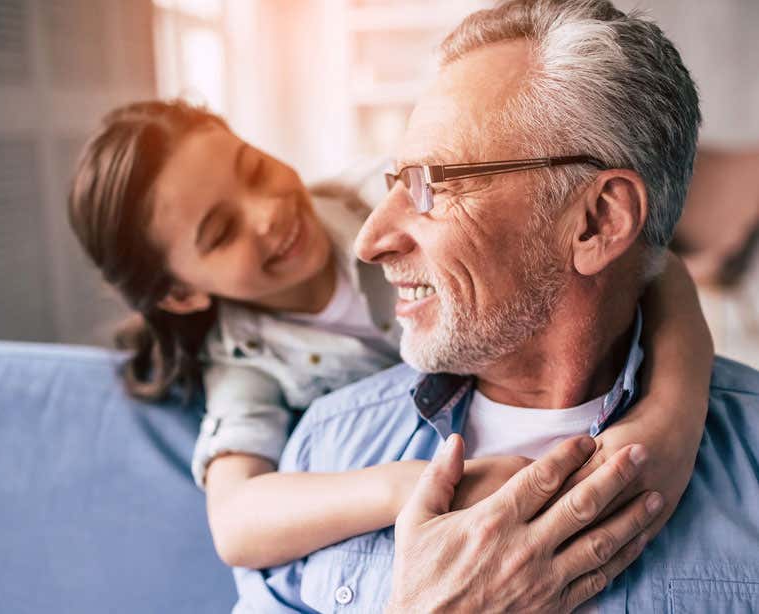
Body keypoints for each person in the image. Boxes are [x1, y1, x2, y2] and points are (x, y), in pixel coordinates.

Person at [67, 94, 709, 597]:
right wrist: (410, 486)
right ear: (181, 297)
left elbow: (653, 263)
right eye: (220, 231)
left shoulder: (382, 193)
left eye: (253, 169)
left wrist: (671, 418)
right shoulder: (245, 363)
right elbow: (235, 522)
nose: (265, 212)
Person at [235, 0, 759, 612]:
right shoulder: (324, 451)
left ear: (597, 221)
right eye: (395, 182)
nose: (370, 241)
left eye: (433, 184)